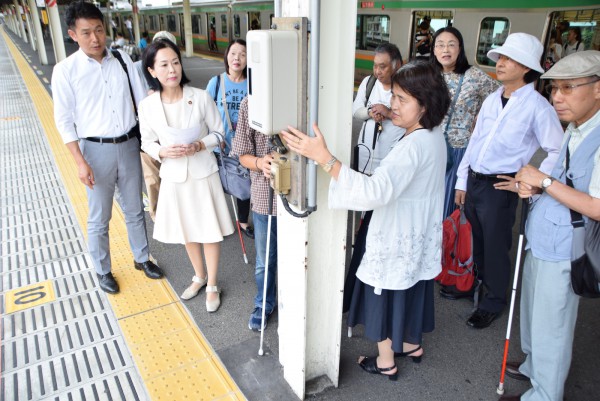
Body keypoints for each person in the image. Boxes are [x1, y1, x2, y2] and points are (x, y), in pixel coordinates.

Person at [282, 61, 450, 379]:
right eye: (394, 96)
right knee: (411, 287)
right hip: (419, 233)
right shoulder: (433, 135)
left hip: (397, 233)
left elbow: (374, 191)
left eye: (401, 99)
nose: (392, 105)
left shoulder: (411, 148)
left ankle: (386, 361)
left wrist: (325, 159)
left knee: (385, 293)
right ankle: (412, 344)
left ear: (424, 104)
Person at [499, 51, 600, 401]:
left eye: (568, 87)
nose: (556, 96)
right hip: (544, 235)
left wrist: (542, 182)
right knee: (533, 313)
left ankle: (545, 394)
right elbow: (563, 180)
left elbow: (598, 207)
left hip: (566, 247)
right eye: (554, 88)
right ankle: (533, 368)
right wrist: (533, 185)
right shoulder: (577, 127)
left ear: (598, 88)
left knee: (552, 324)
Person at [52, 2, 163, 294]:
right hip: (94, 150)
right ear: (73, 35)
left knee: (135, 209)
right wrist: (79, 161)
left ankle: (142, 258)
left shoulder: (123, 60)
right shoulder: (65, 71)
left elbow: (143, 103)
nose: (95, 38)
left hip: (128, 144)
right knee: (100, 217)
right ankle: (103, 270)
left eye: (99, 30)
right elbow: (63, 121)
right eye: (86, 32)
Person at [453, 33, 564, 328]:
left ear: (525, 67)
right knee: (477, 240)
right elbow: (475, 141)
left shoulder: (538, 106)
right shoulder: (492, 99)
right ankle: (475, 284)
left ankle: (493, 301)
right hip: (475, 181)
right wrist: (461, 180)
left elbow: (557, 148)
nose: (500, 63)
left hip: (500, 186)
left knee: (495, 246)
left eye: (507, 59)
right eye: (500, 57)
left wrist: (531, 180)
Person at [139, 39, 234, 312]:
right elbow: (146, 142)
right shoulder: (147, 106)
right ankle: (199, 276)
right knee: (188, 230)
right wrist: (163, 152)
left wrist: (200, 144)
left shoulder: (201, 97)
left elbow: (220, 133)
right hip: (174, 174)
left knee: (209, 230)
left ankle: (213, 284)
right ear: (152, 71)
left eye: (176, 62)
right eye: (164, 65)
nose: (172, 69)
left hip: (203, 172)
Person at [430, 26, 500, 221]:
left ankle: (445, 250)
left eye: (451, 45)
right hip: (430, 147)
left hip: (457, 151)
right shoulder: (429, 75)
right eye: (440, 45)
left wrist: (481, 119)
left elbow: (501, 98)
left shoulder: (474, 76)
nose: (445, 50)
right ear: (433, 50)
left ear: (459, 49)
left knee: (446, 208)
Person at [231, 97, 278, 331]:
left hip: (300, 197)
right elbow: (241, 154)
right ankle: (264, 303)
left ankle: (295, 304)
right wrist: (261, 162)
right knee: (265, 259)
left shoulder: (305, 93)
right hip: (264, 195)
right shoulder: (250, 103)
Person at [206, 39, 253, 238]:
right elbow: (205, 113)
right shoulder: (216, 82)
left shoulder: (252, 84)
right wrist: (212, 137)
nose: (237, 58)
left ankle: (242, 222)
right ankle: (217, 222)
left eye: (242, 54)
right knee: (216, 186)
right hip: (219, 146)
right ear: (226, 56)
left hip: (243, 145)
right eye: (233, 53)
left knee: (243, 185)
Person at [134, 30, 178, 221]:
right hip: (149, 138)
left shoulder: (175, 71)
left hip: (173, 138)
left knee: (176, 179)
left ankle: (176, 215)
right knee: (153, 180)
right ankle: (158, 216)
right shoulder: (137, 70)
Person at [352, 43, 404, 175]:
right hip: (364, 157)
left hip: (392, 159)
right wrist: (371, 112)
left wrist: (388, 113)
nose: (377, 71)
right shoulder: (369, 82)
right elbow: (355, 110)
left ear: (397, 65)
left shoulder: (407, 87)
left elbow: (414, 119)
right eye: (375, 66)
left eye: (382, 67)